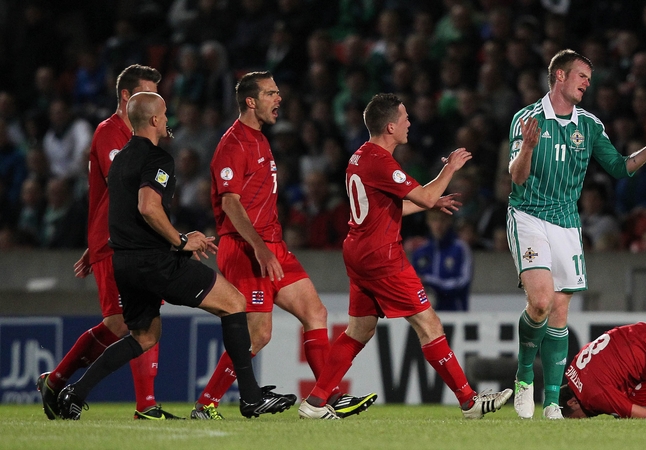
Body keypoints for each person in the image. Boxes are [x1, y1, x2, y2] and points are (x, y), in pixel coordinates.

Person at [54, 91, 282, 420]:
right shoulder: (158, 159)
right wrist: (180, 241)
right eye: (163, 114)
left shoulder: (121, 160)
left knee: (145, 336)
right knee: (234, 302)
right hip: (155, 261)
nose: (167, 119)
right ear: (154, 120)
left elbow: (123, 213)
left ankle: (75, 392)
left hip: (125, 263)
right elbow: (148, 207)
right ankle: (250, 398)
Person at [297, 93, 512, 420]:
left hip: (358, 249)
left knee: (359, 330)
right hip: (381, 256)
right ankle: (469, 402)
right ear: (391, 126)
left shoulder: (359, 157)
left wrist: (432, 201)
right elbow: (424, 196)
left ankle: (315, 401)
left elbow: (393, 206)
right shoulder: (381, 161)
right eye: (405, 118)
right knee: (429, 323)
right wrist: (449, 170)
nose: (410, 123)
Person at [507, 49, 646, 420]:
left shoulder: (588, 126)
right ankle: (525, 377)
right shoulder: (527, 119)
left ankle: (552, 401)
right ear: (559, 75)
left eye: (589, 77)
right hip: (528, 215)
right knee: (539, 301)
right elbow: (517, 176)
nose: (588, 83)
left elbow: (621, 168)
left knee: (559, 311)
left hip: (567, 221)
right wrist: (527, 147)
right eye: (582, 75)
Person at [195, 71, 375, 420]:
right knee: (258, 334)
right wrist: (260, 248)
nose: (279, 99)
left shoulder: (260, 138)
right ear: (251, 101)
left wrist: (269, 245)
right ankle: (206, 404)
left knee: (315, 313)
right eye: (271, 93)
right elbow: (230, 203)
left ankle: (325, 397)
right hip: (247, 249)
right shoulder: (233, 143)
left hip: (273, 246)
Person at [36, 65, 180, 420]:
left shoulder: (137, 137)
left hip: (130, 240)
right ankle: (62, 382)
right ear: (129, 98)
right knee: (125, 323)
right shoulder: (110, 133)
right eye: (150, 95)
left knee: (137, 321)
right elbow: (127, 190)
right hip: (117, 243)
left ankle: (137, 402)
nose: (158, 104)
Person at [410, 209, 473, 311]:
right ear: (428, 221)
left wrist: (431, 282)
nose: (438, 225)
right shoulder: (420, 252)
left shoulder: (460, 249)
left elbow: (463, 282)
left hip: (455, 315)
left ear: (449, 221)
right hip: (428, 318)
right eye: (434, 220)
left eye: (442, 220)